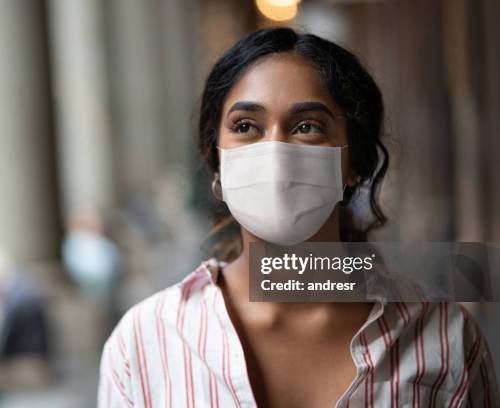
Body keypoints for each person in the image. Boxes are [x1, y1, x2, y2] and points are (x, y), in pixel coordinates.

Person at [97, 27, 498, 407]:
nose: (275, 152)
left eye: (307, 126)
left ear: (353, 163)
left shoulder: (446, 340)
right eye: (246, 126)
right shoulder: (144, 343)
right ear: (216, 159)